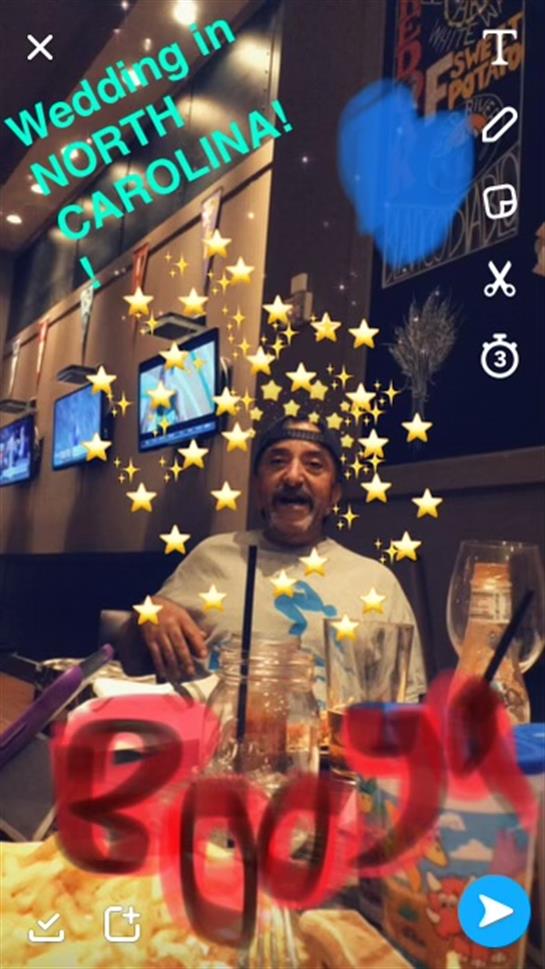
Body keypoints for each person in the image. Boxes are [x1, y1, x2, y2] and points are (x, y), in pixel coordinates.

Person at [118, 416, 426, 703]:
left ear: (334, 495)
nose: (292, 477)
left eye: (314, 465)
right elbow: (130, 663)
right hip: (208, 736)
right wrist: (148, 615)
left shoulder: (376, 582)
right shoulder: (210, 556)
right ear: (257, 488)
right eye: (277, 462)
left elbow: (406, 705)